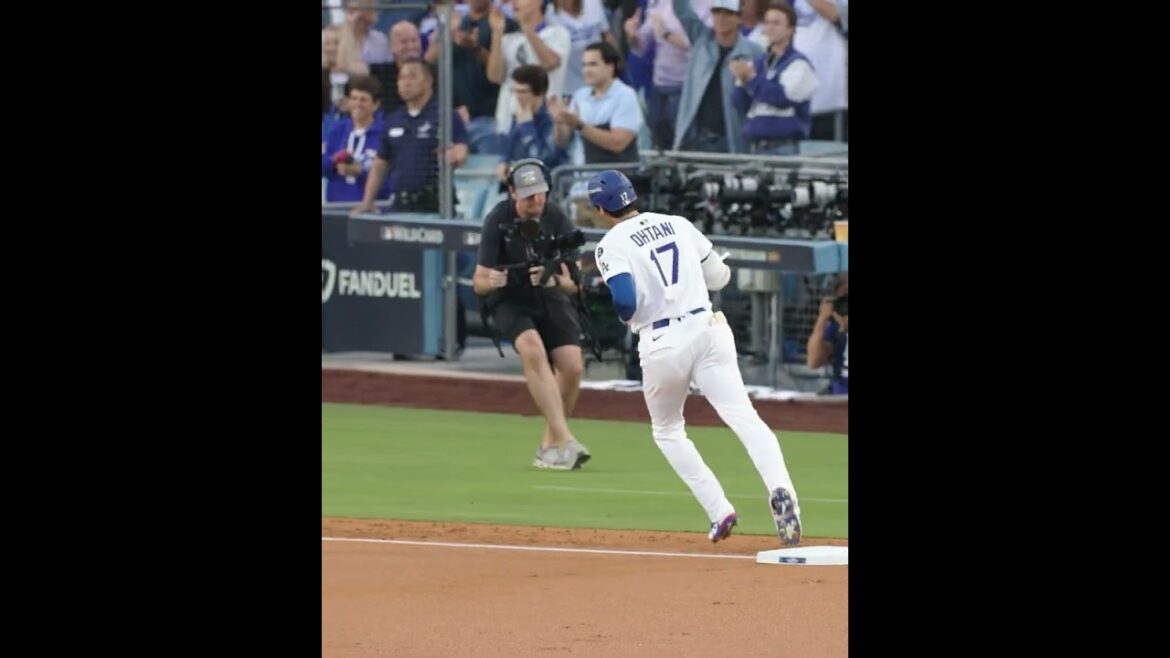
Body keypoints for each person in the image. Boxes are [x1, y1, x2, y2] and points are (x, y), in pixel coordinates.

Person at [590, 169, 801, 545]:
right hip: (708, 329)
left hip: (661, 341)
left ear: (601, 209)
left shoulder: (610, 244)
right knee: (745, 419)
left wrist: (629, 315)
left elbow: (624, 301)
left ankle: (719, 510)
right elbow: (719, 277)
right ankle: (783, 493)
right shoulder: (677, 223)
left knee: (668, 430)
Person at [473, 159, 592, 470]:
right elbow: (479, 281)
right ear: (512, 192)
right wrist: (494, 280)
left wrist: (554, 279)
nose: (536, 201)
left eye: (541, 194)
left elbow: (575, 284)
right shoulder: (497, 219)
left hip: (548, 294)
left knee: (572, 365)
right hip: (509, 297)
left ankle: (549, 446)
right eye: (528, 196)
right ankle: (566, 441)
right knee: (532, 349)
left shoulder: (556, 217)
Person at [730, 0, 818, 155]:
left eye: (776, 23)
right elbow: (740, 105)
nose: (770, 27)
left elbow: (781, 98)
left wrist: (750, 79)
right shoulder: (757, 63)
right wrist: (741, 80)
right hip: (755, 147)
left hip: (783, 147)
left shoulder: (799, 64)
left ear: (790, 29)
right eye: (767, 22)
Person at [807, 272, 847, 395]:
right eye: (843, 300)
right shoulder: (836, 328)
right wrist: (823, 318)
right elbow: (814, 361)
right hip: (840, 396)